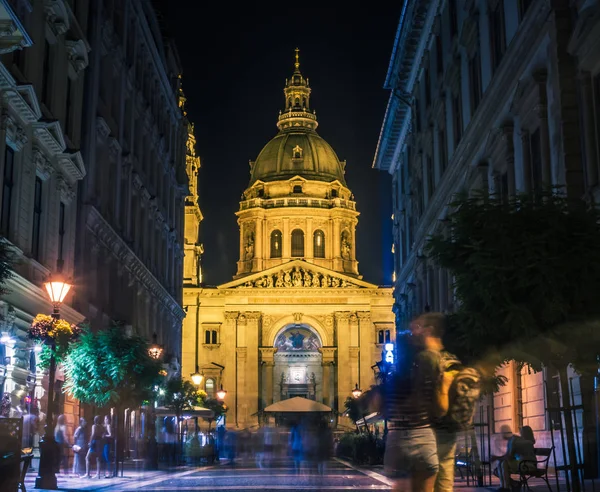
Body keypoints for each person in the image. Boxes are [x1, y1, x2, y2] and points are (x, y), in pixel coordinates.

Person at [383, 313, 449, 492]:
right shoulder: (428, 373)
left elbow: (383, 409)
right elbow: (440, 409)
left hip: (396, 438)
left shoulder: (392, 378)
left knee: (401, 486)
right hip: (421, 435)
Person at [493, 425, 537, 491]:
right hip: (522, 463)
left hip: (528, 465)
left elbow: (510, 456)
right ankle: (505, 486)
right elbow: (510, 456)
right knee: (501, 464)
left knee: (504, 463)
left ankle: (506, 488)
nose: (520, 434)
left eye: (521, 432)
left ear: (524, 433)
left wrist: (513, 442)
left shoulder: (526, 442)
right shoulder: (521, 441)